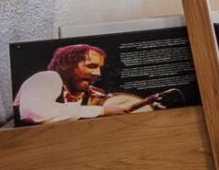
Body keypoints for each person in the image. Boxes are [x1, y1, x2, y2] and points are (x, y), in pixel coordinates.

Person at [13, 44, 161, 124]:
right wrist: (101, 111)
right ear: (66, 65)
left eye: (99, 68)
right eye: (91, 66)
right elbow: (34, 113)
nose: (98, 74)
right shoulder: (47, 78)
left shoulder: (89, 94)